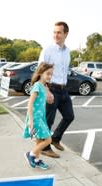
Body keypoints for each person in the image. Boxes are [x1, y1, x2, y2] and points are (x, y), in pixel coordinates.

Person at [38, 21, 73, 158]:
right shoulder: (48, 50)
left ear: (66, 34)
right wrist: (46, 91)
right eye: (54, 32)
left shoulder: (68, 51)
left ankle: (56, 138)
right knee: (48, 120)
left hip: (64, 90)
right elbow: (40, 72)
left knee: (69, 116)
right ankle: (44, 147)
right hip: (51, 88)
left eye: (59, 32)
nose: (55, 35)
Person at [23, 62, 54, 170]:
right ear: (41, 73)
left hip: (40, 117)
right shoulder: (37, 86)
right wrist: (31, 121)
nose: (50, 76)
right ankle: (30, 155)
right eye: (48, 74)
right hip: (35, 118)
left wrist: (49, 98)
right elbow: (30, 104)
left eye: (51, 74)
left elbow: (43, 100)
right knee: (48, 140)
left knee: (39, 141)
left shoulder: (44, 86)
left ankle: (36, 160)